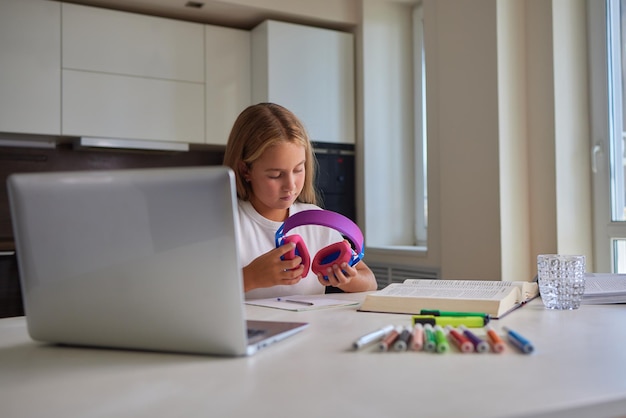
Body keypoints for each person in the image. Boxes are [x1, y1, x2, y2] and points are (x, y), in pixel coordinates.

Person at [223, 103, 377, 299]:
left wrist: (348, 279)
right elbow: (193, 296)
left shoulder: (315, 221)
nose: (291, 185)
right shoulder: (225, 224)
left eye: (298, 170)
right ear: (246, 171)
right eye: (276, 175)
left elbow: (370, 281)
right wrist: (250, 278)